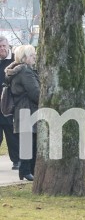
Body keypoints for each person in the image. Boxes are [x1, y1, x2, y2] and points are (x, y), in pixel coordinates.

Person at [5, 45, 39, 181]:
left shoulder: (17, 71)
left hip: (22, 109)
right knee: (29, 141)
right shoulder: (25, 71)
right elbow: (35, 93)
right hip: (28, 109)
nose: (34, 57)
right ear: (24, 58)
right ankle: (27, 171)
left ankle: (26, 171)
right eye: (32, 55)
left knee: (27, 141)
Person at [0, 36, 20, 171]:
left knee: (11, 133)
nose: (2, 49)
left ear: (8, 46)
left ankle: (16, 160)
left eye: (3, 46)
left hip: (9, 102)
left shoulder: (15, 61)